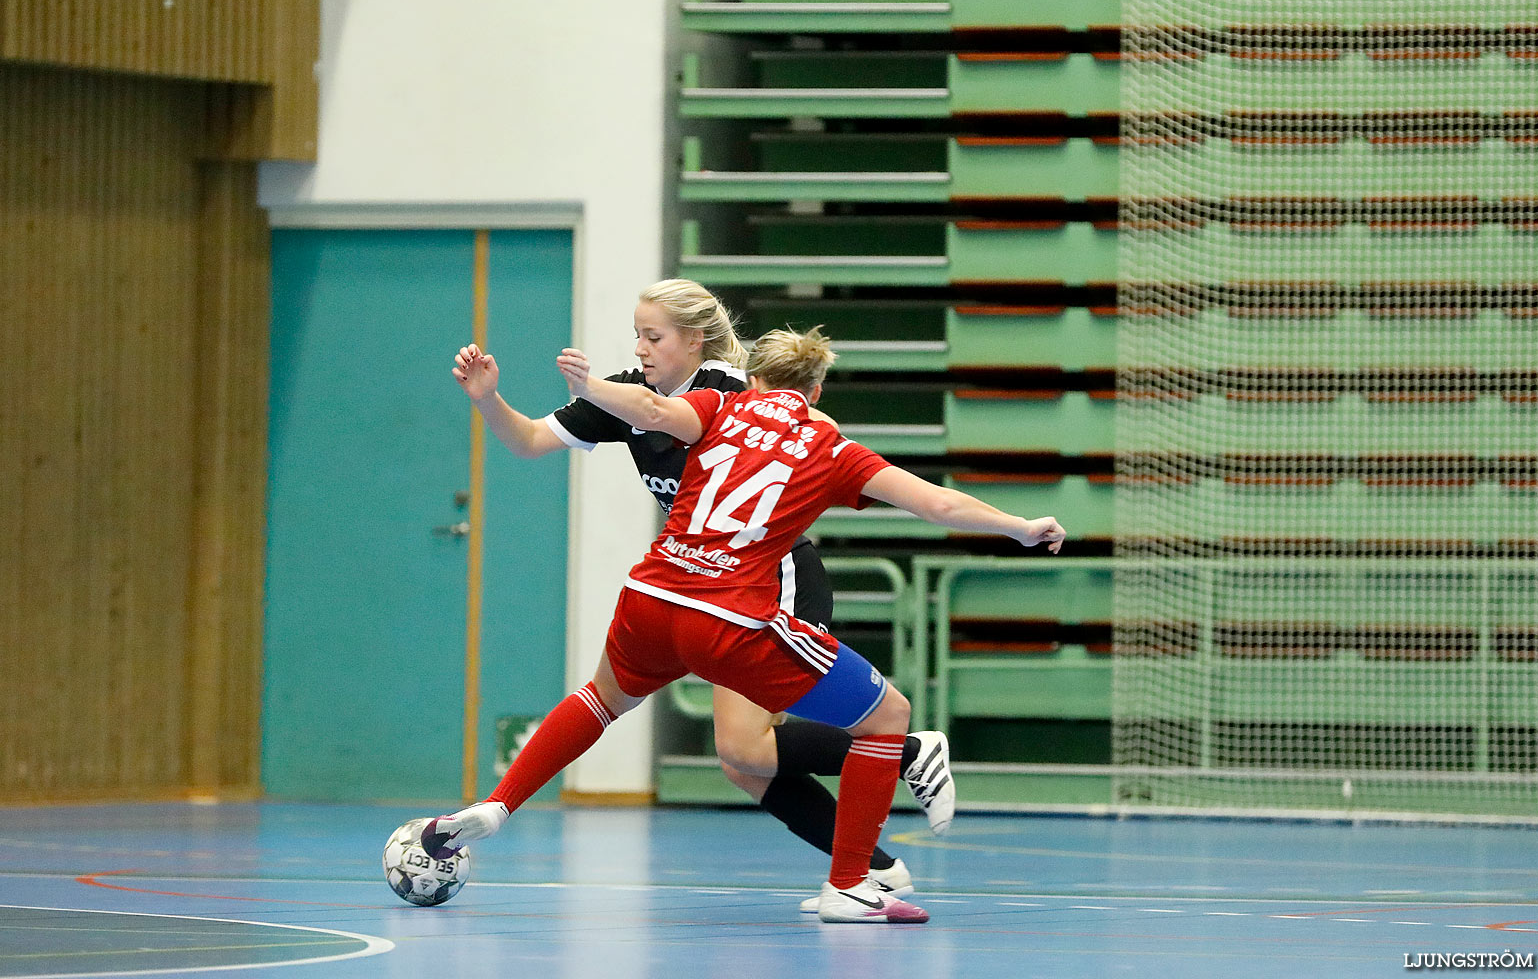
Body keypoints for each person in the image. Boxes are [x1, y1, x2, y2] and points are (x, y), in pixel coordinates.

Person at [423, 326, 1066, 924]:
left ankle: (497, 804)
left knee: (601, 700)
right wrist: (1020, 526)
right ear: (817, 394)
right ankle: (849, 887)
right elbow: (940, 503)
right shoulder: (832, 446)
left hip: (651, 593)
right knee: (886, 715)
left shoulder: (715, 407)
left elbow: (648, 412)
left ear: (750, 379)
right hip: (729, 615)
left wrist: (590, 387)